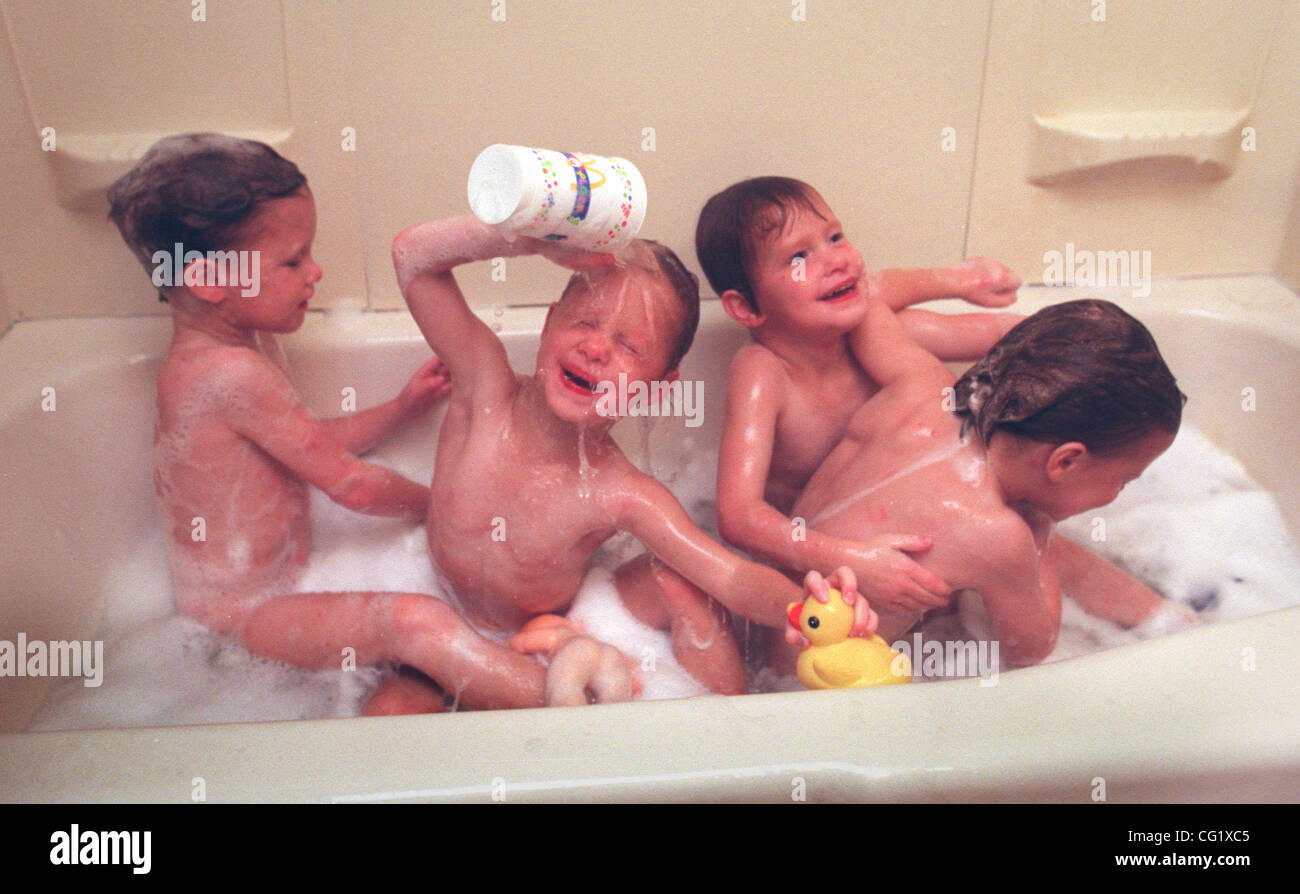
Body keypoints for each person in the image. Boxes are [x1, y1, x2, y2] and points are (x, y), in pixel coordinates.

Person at [108, 133, 544, 713]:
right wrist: (449, 506)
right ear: (209, 280)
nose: (315, 272)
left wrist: (399, 409)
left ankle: (428, 693)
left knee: (414, 645)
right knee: (414, 621)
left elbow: (304, 445)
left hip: (282, 589)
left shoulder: (244, 348)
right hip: (239, 622)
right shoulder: (222, 372)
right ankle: (573, 710)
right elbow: (354, 486)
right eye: (292, 260)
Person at [392, 216, 806, 696]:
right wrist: (526, 241)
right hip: (437, 619)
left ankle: (733, 744)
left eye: (629, 346)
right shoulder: (484, 386)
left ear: (656, 391)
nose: (595, 348)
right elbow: (413, 259)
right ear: (548, 325)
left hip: (540, 649)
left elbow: (729, 576)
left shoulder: (621, 492)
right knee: (391, 719)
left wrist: (809, 609)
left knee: (679, 588)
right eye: (585, 322)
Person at [790, 297, 1191, 666]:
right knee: (1041, 548)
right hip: (813, 681)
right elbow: (1029, 650)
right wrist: (1038, 527)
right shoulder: (999, 536)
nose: (1117, 493)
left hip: (779, 599)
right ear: (1066, 461)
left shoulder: (921, 383)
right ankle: (1180, 628)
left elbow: (867, 301)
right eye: (1123, 480)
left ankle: (1168, 621)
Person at [698, 176, 1022, 617]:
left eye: (835, 236)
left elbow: (1008, 339)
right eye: (798, 257)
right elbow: (738, 516)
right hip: (822, 564)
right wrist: (848, 558)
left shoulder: (879, 335)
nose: (837, 260)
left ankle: (1145, 621)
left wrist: (964, 282)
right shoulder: (766, 373)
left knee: (1030, 541)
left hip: (912, 530)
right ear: (747, 309)